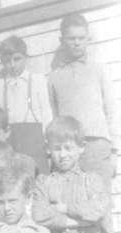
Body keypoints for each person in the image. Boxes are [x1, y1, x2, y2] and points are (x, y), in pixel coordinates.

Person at [32, 116, 114, 233]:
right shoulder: (44, 182)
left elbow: (97, 210)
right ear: (48, 149)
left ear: (81, 147)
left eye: (68, 148)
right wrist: (80, 223)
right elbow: (39, 214)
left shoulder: (91, 180)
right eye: (57, 148)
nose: (62, 155)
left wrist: (64, 208)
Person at [48, 14, 120, 192]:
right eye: (71, 38)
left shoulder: (98, 70)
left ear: (88, 39)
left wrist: (115, 152)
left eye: (81, 38)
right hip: (68, 150)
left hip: (97, 146)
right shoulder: (55, 77)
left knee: (100, 203)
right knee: (72, 202)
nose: (77, 42)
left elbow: (112, 111)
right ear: (62, 40)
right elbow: (53, 116)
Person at [0, 35, 52, 174]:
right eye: (7, 61)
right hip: (8, 145)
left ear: (25, 58)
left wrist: (48, 144)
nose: (12, 64)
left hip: (35, 145)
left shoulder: (38, 81)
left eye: (17, 59)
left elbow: (47, 115)